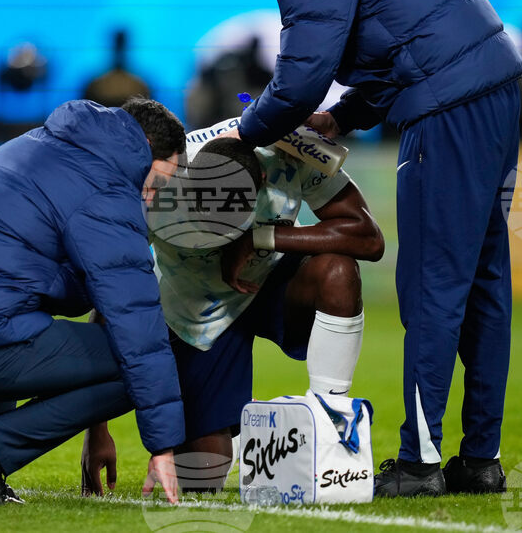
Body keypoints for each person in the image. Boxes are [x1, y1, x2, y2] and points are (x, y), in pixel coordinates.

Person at [182, 0, 522, 497]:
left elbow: (301, 75)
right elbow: (401, 43)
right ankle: (480, 457)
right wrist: (341, 119)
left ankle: (421, 465)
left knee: (432, 286)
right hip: (490, 91)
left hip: (445, 108)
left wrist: (242, 139)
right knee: (482, 283)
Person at [0, 98, 186, 506]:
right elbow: (138, 328)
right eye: (160, 183)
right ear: (145, 146)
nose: (152, 200)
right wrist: (163, 448)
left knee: (10, 313)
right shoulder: (109, 186)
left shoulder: (36, 146)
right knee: (130, 366)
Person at [81, 122, 384, 494]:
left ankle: (330, 418)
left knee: (337, 270)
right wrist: (96, 431)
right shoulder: (156, 182)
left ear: (261, 177)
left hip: (273, 283)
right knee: (202, 478)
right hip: (198, 316)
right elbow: (111, 291)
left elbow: (369, 238)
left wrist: (260, 237)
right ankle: (245, 431)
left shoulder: (289, 151)